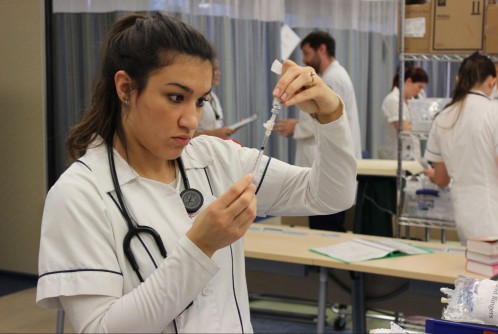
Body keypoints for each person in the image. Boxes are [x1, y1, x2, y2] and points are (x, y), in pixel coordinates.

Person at [35, 13, 357, 333]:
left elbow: (330, 195)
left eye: (200, 101)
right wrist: (200, 247)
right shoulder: (79, 194)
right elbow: (99, 330)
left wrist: (330, 114)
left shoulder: (214, 157)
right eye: (176, 97)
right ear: (126, 88)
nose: (191, 120)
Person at [275, 31, 361, 232]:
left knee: (326, 227)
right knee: (323, 224)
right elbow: (319, 116)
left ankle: (325, 265)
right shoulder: (330, 77)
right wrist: (298, 123)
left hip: (328, 165)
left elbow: (329, 118)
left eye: (306, 53)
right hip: (325, 164)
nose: (304, 60)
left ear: (322, 49)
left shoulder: (332, 79)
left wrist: (295, 127)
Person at [423, 52, 498, 245]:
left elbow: (441, 179)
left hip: (464, 216)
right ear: (492, 82)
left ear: (460, 80)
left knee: (475, 270)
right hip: (493, 213)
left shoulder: (443, 117)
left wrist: (429, 173)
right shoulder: (495, 111)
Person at [379, 66, 428, 160]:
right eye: (419, 87)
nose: (420, 92)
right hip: (397, 158)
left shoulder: (412, 101)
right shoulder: (393, 100)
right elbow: (403, 128)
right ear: (409, 82)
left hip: (412, 157)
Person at [195, 58, 235, 138]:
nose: (219, 74)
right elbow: (188, 134)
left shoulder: (214, 97)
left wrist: (226, 131)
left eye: (218, 69)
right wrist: (214, 133)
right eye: (215, 70)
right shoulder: (195, 97)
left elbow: (217, 125)